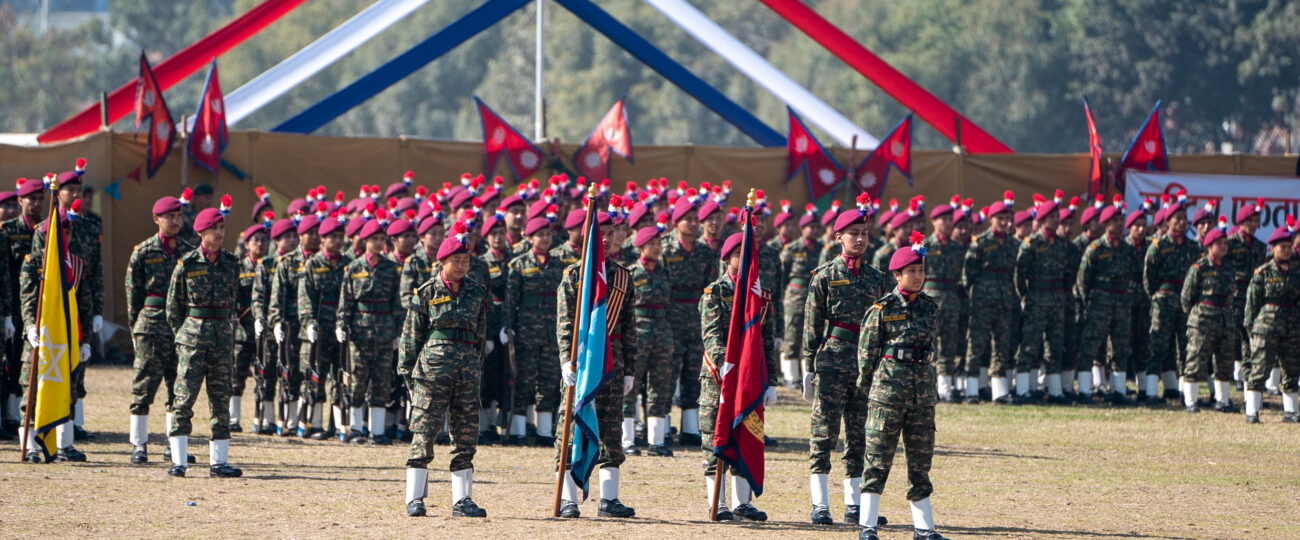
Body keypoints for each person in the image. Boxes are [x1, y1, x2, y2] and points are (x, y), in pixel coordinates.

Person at [856, 231, 948, 540]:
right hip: (888, 395)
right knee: (877, 458)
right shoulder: (881, 310)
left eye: (921, 271)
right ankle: (867, 525)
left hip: (921, 395)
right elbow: (866, 356)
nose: (918, 276)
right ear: (897, 275)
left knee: (921, 460)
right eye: (912, 271)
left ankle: (924, 528)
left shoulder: (929, 308)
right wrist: (869, 392)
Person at [803, 194, 887, 525]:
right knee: (824, 433)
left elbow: (883, 324)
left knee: (860, 435)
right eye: (853, 233)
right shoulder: (824, 276)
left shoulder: (877, 278)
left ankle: (855, 506)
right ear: (839, 237)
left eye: (864, 233)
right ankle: (820, 504)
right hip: (833, 360)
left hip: (865, 365)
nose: (860, 239)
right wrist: (808, 367)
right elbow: (812, 324)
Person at [399, 221, 489, 518]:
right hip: (431, 374)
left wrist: (475, 366)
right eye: (457, 261)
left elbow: (480, 334)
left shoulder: (477, 292)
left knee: (465, 436)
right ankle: (415, 499)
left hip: (467, 373)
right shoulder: (426, 292)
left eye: (466, 260)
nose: (462, 265)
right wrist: (409, 376)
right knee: (424, 433)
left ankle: (462, 500)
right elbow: (411, 336)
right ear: (443, 261)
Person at [555, 201, 638, 519]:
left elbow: (629, 327)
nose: (605, 239)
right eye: (598, 234)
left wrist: (629, 369)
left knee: (611, 429)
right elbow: (565, 324)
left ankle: (609, 499)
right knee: (572, 426)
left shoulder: (622, 278)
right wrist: (566, 360)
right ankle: (568, 499)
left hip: (612, 363)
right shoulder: (574, 277)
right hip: (582, 363)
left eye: (609, 233)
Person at [699, 231, 778, 522]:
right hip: (719, 377)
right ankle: (717, 502)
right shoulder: (714, 293)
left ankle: (741, 503)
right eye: (738, 256)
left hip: (748, 380)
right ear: (728, 258)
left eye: (748, 257)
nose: (743, 262)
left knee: (745, 430)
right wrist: (724, 364)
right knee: (715, 436)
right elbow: (711, 335)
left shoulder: (761, 294)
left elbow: (765, 339)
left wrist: (771, 381)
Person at [164, 197, 242, 478]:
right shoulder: (186, 264)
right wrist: (184, 336)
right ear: (201, 233)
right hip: (192, 341)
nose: (219, 234)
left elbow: (234, 301)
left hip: (221, 340)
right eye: (213, 229)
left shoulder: (232, 264)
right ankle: (179, 461)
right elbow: (173, 308)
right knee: (183, 399)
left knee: (220, 400)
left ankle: (218, 463)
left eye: (221, 228)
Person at [27, 163, 103, 440]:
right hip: (50, 307)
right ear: (58, 193)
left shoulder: (88, 227)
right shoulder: (45, 228)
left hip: (78, 303)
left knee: (76, 364)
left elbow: (96, 273)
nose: (74, 194)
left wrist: (97, 310)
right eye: (69, 189)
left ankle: (74, 424)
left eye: (78, 189)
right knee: (47, 365)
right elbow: (40, 270)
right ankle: (44, 427)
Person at [18, 192, 94, 463]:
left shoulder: (76, 264)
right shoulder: (34, 263)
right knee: (32, 390)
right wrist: (29, 325)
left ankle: (65, 445)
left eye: (69, 232)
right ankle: (30, 446)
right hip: (41, 336)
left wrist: (85, 340)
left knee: (67, 390)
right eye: (61, 232)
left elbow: (84, 304)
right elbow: (28, 298)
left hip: (67, 337)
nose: (66, 236)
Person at [125, 196, 192, 464]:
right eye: (169, 217)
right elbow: (133, 296)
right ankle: (139, 445)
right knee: (143, 387)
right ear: (156, 219)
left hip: (180, 330)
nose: (175, 221)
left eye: (178, 216)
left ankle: (172, 445)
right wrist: (135, 331)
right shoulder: (143, 252)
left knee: (178, 389)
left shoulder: (189, 252)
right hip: (151, 328)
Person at [503, 207, 565, 446]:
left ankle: (545, 432)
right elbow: (511, 301)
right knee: (524, 381)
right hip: (527, 332)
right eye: (540, 235)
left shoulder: (560, 265)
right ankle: (519, 431)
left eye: (548, 234)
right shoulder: (519, 265)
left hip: (552, 332)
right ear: (529, 238)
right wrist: (508, 327)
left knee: (549, 381)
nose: (545, 238)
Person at [660, 189, 717, 447]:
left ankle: (691, 428)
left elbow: (710, 287)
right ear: (676, 222)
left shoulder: (705, 252)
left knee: (695, 372)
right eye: (688, 219)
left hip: (697, 318)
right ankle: (660, 427)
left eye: (696, 219)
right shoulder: (663, 247)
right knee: (666, 373)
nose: (693, 223)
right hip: (669, 317)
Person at [337, 219, 402, 444]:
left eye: (382, 239)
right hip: (359, 331)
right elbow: (345, 301)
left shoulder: (390, 268)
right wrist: (341, 325)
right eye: (374, 239)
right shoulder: (354, 268)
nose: (378, 243)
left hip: (384, 330)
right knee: (357, 379)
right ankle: (355, 428)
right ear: (365, 241)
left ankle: (378, 431)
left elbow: (396, 302)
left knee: (382, 380)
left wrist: (398, 332)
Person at [962, 191, 1019, 404]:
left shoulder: (1014, 245)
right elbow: (968, 274)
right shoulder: (981, 243)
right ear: (991, 220)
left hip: (1005, 301)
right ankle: (972, 391)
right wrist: (976, 296)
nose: (1004, 223)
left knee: (1002, 345)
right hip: (982, 302)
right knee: (976, 345)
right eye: (1000, 219)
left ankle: (999, 392)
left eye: (1007, 219)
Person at [298, 216, 352, 438]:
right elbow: (304, 298)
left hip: (340, 329)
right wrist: (309, 323)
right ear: (323, 239)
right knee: (316, 375)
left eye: (340, 237)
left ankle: (339, 426)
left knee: (340, 377)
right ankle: (315, 424)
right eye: (333, 237)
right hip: (319, 328)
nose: (338, 241)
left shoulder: (348, 263)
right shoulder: (312, 264)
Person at [1013, 195, 1071, 404]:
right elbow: (1019, 275)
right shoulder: (1031, 244)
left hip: (1056, 299)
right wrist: (1026, 297)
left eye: (1057, 216)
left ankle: (1055, 391)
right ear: (1042, 218)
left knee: (1055, 345)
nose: (1056, 220)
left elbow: (1068, 274)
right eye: (1051, 216)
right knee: (1030, 345)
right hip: (1036, 298)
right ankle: (1022, 390)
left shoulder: (1062, 244)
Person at [625, 215, 674, 457]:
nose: (657, 247)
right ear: (642, 246)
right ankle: (627, 439)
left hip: (662, 331)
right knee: (630, 384)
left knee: (659, 385)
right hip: (637, 331)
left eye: (659, 243)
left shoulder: (664, 273)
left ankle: (656, 441)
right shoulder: (631, 272)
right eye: (652, 243)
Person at [268, 212, 321, 436]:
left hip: (312, 327)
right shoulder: (287, 263)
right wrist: (277, 322)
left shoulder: (321, 262)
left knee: (309, 372)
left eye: (317, 233)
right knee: (288, 373)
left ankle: (305, 422)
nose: (315, 237)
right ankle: (287, 421)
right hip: (290, 327)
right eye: (310, 233)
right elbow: (276, 298)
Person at [1143, 197, 1199, 405]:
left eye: (1184, 218)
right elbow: (1149, 277)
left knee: (1186, 347)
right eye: (1177, 219)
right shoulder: (1158, 246)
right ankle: (1150, 392)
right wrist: (1157, 296)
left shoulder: (1193, 247)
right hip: (1164, 300)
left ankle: (1186, 394)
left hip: (1185, 302)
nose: (1182, 222)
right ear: (1168, 222)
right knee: (1158, 345)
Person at [1, 178, 46, 439]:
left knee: (27, 362)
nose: (36, 203)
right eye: (32, 199)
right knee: (8, 360)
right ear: (21, 201)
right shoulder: (7, 230)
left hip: (38, 305)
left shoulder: (46, 230)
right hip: (13, 304)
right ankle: (9, 416)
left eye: (41, 199)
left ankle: (21, 417)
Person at [1241, 222, 1298, 422]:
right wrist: (1251, 332)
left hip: (1291, 328)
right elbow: (1251, 305)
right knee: (1259, 369)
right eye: (1282, 247)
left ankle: (1291, 412)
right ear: (1272, 248)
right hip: (1266, 329)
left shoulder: (1296, 273)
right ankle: (1252, 412)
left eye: (1289, 246)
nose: (1287, 250)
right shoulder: (1263, 273)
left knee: (1291, 370)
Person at [1180, 218, 1238, 413]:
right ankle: (1191, 401)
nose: (1224, 247)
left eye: (1225, 243)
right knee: (1196, 360)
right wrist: (1196, 317)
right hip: (1202, 320)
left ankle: (1222, 401)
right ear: (1209, 246)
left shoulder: (1229, 267)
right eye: (1220, 244)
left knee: (1224, 361)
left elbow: (1232, 293)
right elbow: (1187, 297)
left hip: (1224, 320)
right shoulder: (1199, 268)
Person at [251, 218, 298, 435]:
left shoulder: (298, 263)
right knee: (268, 371)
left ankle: (289, 418)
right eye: (286, 237)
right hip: (270, 327)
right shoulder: (266, 265)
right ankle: (268, 417)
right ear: (276, 241)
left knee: (291, 371)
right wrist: (260, 318)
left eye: (294, 236)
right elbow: (258, 297)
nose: (292, 240)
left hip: (293, 326)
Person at [475, 207, 514, 444]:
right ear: (486, 237)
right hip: (489, 325)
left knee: (506, 376)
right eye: (493, 233)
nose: (498, 237)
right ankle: (485, 424)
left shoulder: (515, 261)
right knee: (486, 377)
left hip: (509, 325)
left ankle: (507, 424)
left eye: (501, 232)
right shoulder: (481, 263)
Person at [925, 197, 966, 403]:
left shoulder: (958, 248)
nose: (948, 224)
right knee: (930, 344)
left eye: (951, 220)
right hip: (930, 300)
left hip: (951, 300)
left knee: (950, 345)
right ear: (934, 222)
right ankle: (929, 386)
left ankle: (946, 387)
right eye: (944, 220)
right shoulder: (924, 246)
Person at [231, 221, 271, 433]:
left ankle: (261, 418)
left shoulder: (270, 265)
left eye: (264, 240)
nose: (260, 244)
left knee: (263, 374)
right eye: (256, 241)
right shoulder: (238, 267)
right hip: (242, 328)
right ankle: (233, 418)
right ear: (247, 244)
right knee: (236, 374)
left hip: (265, 329)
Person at [779, 204, 823, 390]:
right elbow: (782, 275)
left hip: (815, 297)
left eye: (816, 227)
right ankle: (791, 377)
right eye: (809, 227)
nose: (813, 230)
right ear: (802, 229)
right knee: (792, 334)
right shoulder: (792, 248)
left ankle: (808, 376)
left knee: (813, 334)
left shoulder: (823, 248)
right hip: (795, 297)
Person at [1226, 199, 1267, 389]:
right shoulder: (1230, 243)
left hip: (1254, 298)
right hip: (1235, 297)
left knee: (1250, 337)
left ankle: (1247, 377)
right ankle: (1234, 376)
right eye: (1249, 221)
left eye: (1256, 221)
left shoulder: (1259, 246)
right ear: (1241, 222)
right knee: (1233, 337)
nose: (1253, 225)